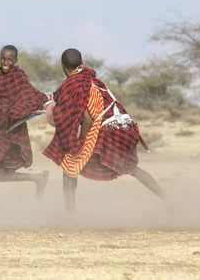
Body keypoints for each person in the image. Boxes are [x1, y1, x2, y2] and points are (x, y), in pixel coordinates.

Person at [43, 48, 166, 215]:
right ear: (82, 64)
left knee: (70, 165)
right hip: (124, 128)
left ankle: (70, 217)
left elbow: (86, 119)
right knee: (133, 169)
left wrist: (80, 144)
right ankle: (169, 200)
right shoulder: (94, 81)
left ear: (61, 66)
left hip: (108, 131)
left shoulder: (73, 85)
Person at [0, 45, 51, 204]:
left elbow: (30, 98)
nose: (6, 62)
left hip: (13, 130)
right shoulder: (1, 78)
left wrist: (40, 103)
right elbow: (1, 109)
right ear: (0, 58)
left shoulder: (18, 77)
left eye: (10, 60)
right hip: (3, 128)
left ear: (16, 61)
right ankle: (38, 178)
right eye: (3, 59)